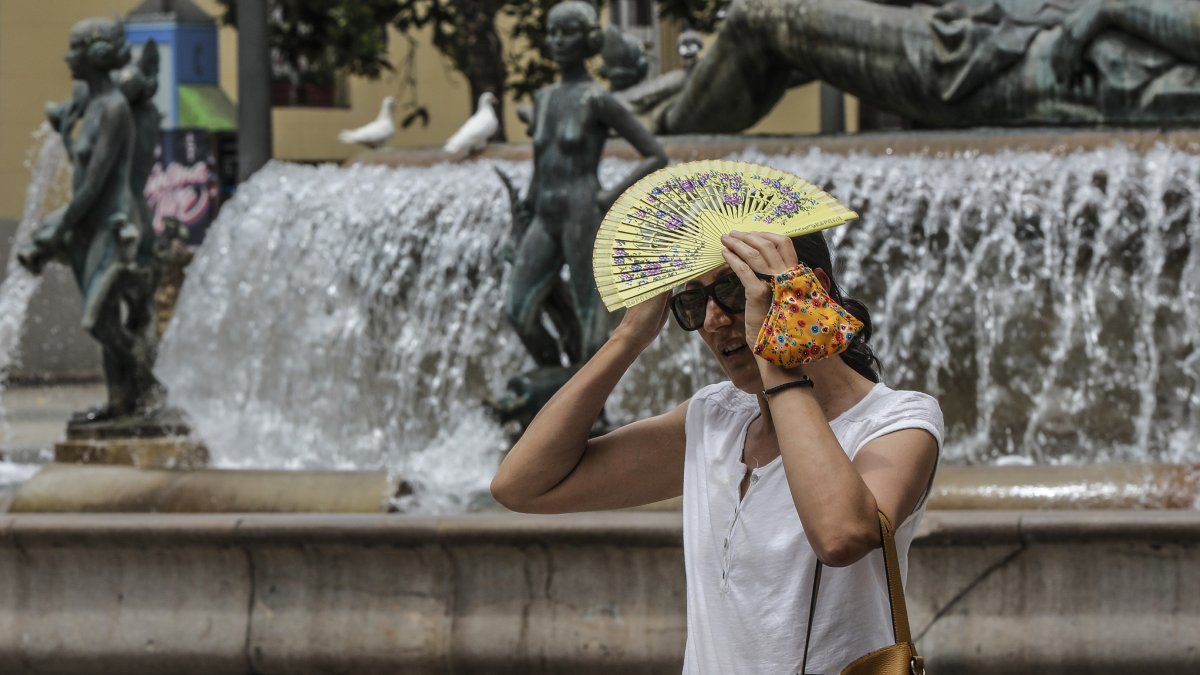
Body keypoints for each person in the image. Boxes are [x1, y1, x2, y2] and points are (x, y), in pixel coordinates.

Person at [492, 229, 943, 673]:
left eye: (732, 289)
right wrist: (627, 337)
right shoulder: (715, 417)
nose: (713, 320)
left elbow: (840, 536)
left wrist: (778, 353)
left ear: (812, 289)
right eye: (692, 302)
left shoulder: (897, 421)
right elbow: (522, 486)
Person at [505, 0, 667, 368]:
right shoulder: (544, 99)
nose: (558, 41)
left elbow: (655, 153)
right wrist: (524, 212)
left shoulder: (597, 99)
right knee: (517, 309)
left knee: (590, 319)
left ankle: (585, 404)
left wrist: (609, 196)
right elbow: (540, 165)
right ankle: (552, 378)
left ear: (589, 39)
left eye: (568, 32)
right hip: (544, 215)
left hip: (582, 212)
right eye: (553, 33)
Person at [17, 18, 161, 420]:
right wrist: (65, 130)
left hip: (114, 223)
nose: (67, 58)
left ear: (97, 57)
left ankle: (150, 383)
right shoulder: (91, 106)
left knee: (97, 319)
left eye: (74, 49)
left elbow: (95, 182)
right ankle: (120, 403)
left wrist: (59, 226)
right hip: (87, 225)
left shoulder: (115, 109)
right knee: (107, 320)